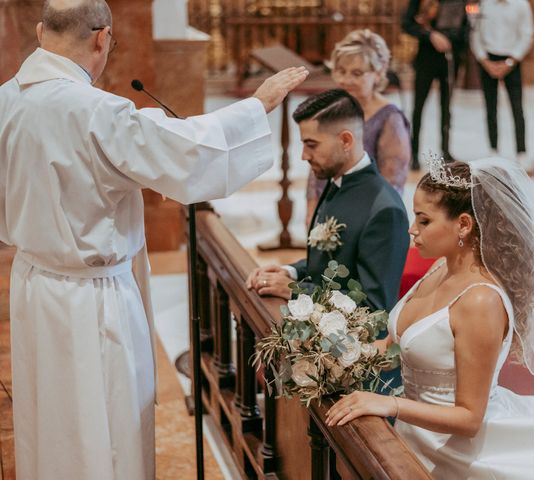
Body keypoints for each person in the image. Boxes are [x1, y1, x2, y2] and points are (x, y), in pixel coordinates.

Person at [0, 1, 308, 478]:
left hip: (34, 284)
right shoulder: (95, 110)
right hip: (91, 299)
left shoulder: (6, 99)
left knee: (50, 417)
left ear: (40, 32)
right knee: (102, 426)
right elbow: (189, 149)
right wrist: (259, 104)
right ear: (102, 39)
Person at [326, 156, 534, 478]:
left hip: (458, 454)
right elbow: (395, 346)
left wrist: (390, 405)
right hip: (415, 433)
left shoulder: (480, 301)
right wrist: (338, 356)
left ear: (463, 224)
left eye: (424, 221)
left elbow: (469, 418)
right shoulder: (439, 268)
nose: (412, 230)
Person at [248, 89, 409, 315]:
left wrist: (296, 290)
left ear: (345, 140)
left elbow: (374, 306)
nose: (304, 155)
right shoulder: (337, 182)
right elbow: (333, 263)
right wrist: (290, 272)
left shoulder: (385, 210)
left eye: (311, 144)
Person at [305, 29, 411, 225]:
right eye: (341, 71)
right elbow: (316, 166)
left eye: (357, 73)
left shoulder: (390, 119)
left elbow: (392, 184)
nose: (346, 80)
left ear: (378, 73)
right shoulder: (332, 108)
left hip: (367, 218)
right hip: (325, 210)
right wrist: (312, 209)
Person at [402, 0, 468, 168]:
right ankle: (414, 153)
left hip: (450, 59)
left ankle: (445, 151)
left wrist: (451, 40)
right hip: (426, 58)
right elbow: (407, 24)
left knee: (446, 107)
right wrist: (430, 36)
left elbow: (465, 28)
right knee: (419, 107)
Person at [470, 0, 534, 170]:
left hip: (512, 59)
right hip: (488, 60)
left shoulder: (521, 5)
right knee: (490, 107)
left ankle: (521, 152)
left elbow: (527, 34)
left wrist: (510, 62)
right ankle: (493, 149)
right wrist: (485, 61)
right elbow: (475, 34)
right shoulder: (483, 4)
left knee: (517, 107)